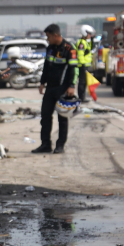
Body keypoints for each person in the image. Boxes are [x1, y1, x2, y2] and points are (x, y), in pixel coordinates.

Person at [31, 24, 78, 154]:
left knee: (62, 118)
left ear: (56, 35)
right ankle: (45, 144)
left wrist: (71, 86)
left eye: (48, 37)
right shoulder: (50, 48)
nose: (47, 39)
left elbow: (74, 69)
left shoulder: (70, 49)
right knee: (45, 116)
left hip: (63, 88)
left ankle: (60, 145)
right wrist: (42, 82)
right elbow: (46, 66)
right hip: (50, 88)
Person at [76, 25, 95, 102]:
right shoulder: (81, 43)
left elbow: (90, 49)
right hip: (82, 66)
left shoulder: (85, 42)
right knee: (82, 82)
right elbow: (80, 54)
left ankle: (83, 97)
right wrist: (83, 64)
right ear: (84, 33)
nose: (90, 35)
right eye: (89, 34)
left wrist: (92, 40)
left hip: (85, 65)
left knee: (84, 82)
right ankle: (81, 98)